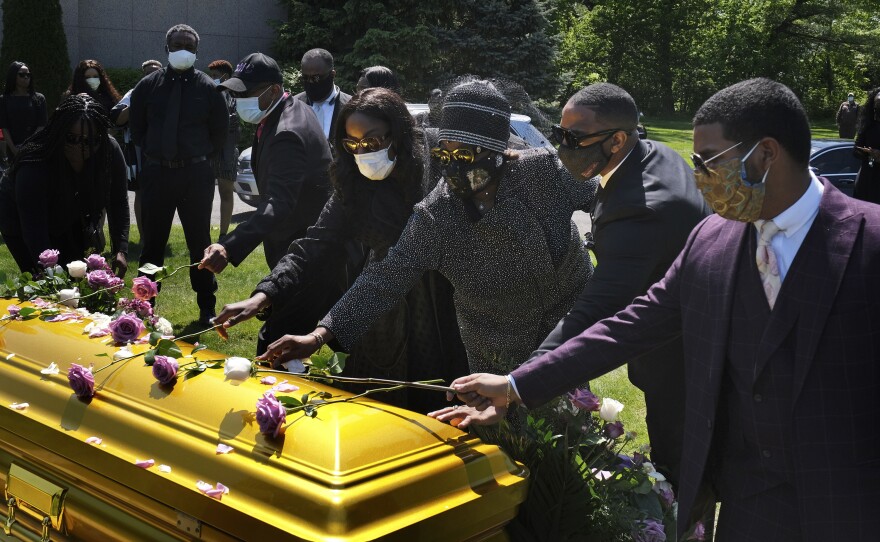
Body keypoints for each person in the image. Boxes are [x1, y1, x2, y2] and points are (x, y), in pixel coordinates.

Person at [443, 78, 880, 541]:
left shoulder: (868, 241)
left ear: (765, 154)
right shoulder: (711, 240)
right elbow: (629, 326)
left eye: (708, 161)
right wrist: (514, 384)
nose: (699, 177)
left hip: (853, 502)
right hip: (750, 504)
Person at [255, 80, 597, 380]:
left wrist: (609, 242)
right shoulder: (438, 212)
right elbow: (385, 278)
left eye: (464, 155)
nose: (450, 167)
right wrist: (318, 337)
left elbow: (610, 197)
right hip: (489, 342)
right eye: (443, 153)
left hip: (564, 324)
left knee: (562, 430)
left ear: (497, 152)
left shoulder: (542, 173)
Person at [503, 83, 707, 489]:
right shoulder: (653, 155)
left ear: (617, 139)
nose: (564, 148)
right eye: (560, 135)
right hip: (683, 336)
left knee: (682, 476)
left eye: (574, 139)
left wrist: (521, 378)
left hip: (682, 363)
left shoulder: (642, 211)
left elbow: (597, 309)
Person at [214, 88, 468, 411]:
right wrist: (264, 295)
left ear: (398, 133)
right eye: (353, 143)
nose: (363, 152)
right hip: (375, 307)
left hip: (436, 302)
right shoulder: (353, 181)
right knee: (375, 399)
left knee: (432, 395)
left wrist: (319, 335)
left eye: (373, 142)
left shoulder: (429, 171)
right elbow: (313, 244)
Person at [129, 23, 228, 325]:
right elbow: (137, 128)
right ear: (167, 48)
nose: (183, 49)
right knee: (152, 244)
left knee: (199, 242)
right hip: (158, 173)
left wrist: (198, 157)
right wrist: (157, 153)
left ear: (197, 51)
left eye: (189, 45)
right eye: (177, 44)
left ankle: (207, 307)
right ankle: (144, 307)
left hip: (195, 175)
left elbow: (220, 132)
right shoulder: (148, 86)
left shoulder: (208, 88)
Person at [200, 52, 334, 272]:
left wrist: (228, 246)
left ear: (273, 90)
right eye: (235, 93)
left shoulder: (287, 133)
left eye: (245, 93)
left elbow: (278, 203)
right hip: (299, 239)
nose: (238, 100)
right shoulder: (289, 109)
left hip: (301, 247)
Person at [0, 94, 129, 274]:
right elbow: (33, 227)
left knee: (79, 276)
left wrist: (120, 249)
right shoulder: (35, 162)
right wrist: (51, 271)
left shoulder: (109, 151)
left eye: (89, 141)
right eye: (71, 138)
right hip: (21, 222)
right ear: (59, 132)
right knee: (44, 283)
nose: (80, 147)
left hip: (71, 217)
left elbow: (118, 202)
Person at [109, 59, 163, 238]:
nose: (152, 75)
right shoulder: (134, 93)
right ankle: (143, 236)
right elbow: (117, 118)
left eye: (156, 72)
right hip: (139, 152)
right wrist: (137, 101)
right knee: (141, 192)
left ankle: (158, 235)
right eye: (148, 73)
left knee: (162, 194)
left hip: (164, 151)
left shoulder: (169, 92)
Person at [207, 59, 241, 240]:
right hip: (209, 150)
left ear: (225, 76)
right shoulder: (208, 94)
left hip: (227, 151)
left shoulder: (236, 96)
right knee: (206, 193)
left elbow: (234, 122)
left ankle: (223, 234)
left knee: (226, 191)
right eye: (211, 76)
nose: (213, 79)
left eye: (215, 76)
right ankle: (203, 230)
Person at [294, 48, 351, 147]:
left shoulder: (351, 106)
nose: (310, 82)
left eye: (316, 78)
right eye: (305, 77)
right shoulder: (293, 105)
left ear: (332, 75)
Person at [0, 61, 47, 158]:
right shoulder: (4, 99)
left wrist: (28, 145)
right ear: (13, 76)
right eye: (22, 75)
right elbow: (4, 127)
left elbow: (42, 125)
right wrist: (14, 149)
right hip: (13, 150)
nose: (26, 77)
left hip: (34, 149)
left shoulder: (39, 98)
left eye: (28, 74)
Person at [853, 87, 880, 204]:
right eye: (877, 103)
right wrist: (866, 152)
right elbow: (856, 149)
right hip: (867, 176)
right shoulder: (867, 126)